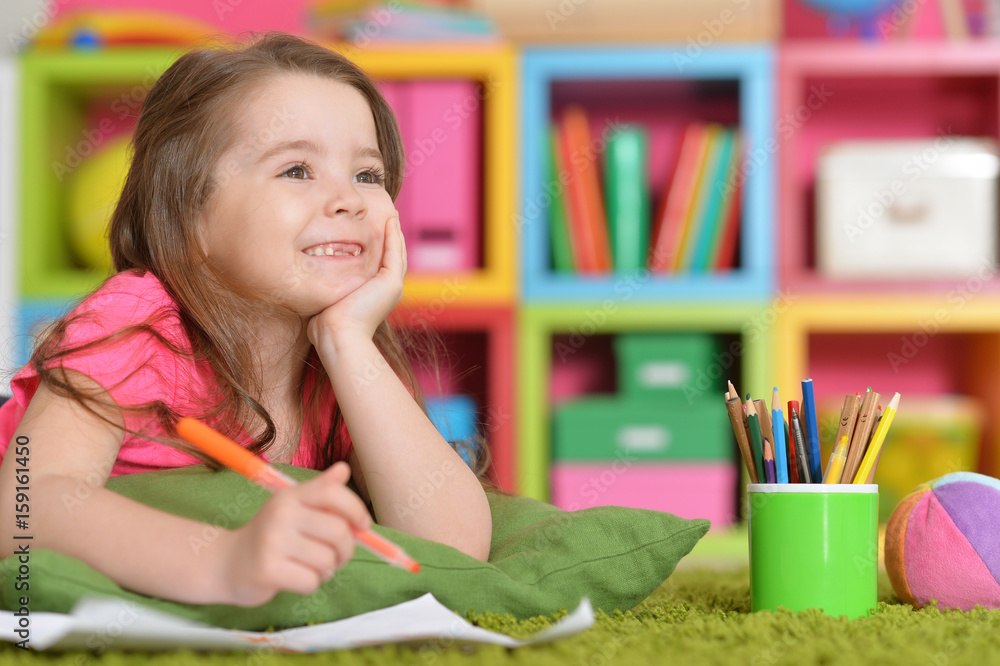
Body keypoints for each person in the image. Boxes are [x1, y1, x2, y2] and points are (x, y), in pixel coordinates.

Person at [0, 32, 492, 607]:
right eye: (296, 170)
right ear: (189, 218)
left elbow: (453, 545)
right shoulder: (135, 320)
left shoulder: (347, 353)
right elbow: (22, 505)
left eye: (368, 176)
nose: (351, 201)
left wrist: (347, 340)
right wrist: (220, 560)